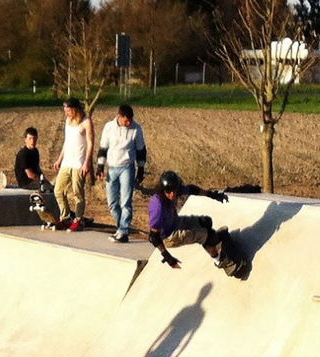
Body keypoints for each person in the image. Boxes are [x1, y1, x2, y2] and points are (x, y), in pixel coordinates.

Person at [147, 170, 245, 278]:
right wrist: (167, 256)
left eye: (174, 191)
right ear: (162, 190)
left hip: (175, 222)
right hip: (169, 236)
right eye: (169, 192)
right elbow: (154, 237)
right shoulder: (157, 207)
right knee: (205, 235)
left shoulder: (175, 190)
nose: (173, 194)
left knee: (206, 222)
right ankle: (221, 261)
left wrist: (212, 195)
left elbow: (193, 189)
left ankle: (215, 241)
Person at [97, 104, 147, 242]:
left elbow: (141, 150)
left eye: (130, 120)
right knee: (112, 203)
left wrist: (141, 169)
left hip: (127, 167)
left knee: (125, 201)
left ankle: (124, 231)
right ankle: (121, 227)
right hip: (112, 168)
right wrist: (100, 167)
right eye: (126, 120)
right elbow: (103, 148)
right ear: (119, 116)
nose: (128, 123)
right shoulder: (109, 127)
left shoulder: (136, 129)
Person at [53, 99, 93, 232]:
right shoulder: (68, 122)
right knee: (58, 190)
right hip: (66, 162)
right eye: (65, 111)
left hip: (78, 163)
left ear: (75, 109)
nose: (66, 114)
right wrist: (59, 159)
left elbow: (90, 144)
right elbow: (67, 142)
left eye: (68, 111)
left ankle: (79, 220)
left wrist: (87, 162)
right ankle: (65, 218)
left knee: (77, 193)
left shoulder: (86, 122)